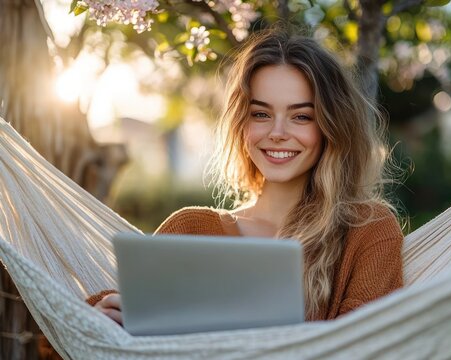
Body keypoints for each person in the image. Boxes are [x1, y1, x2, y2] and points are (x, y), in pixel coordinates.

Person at [90, 29, 404, 324]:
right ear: (242, 124)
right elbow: (115, 314)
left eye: (301, 116)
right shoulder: (190, 230)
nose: (277, 133)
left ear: (331, 127)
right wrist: (100, 312)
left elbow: (368, 343)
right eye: (261, 114)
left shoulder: (368, 229)